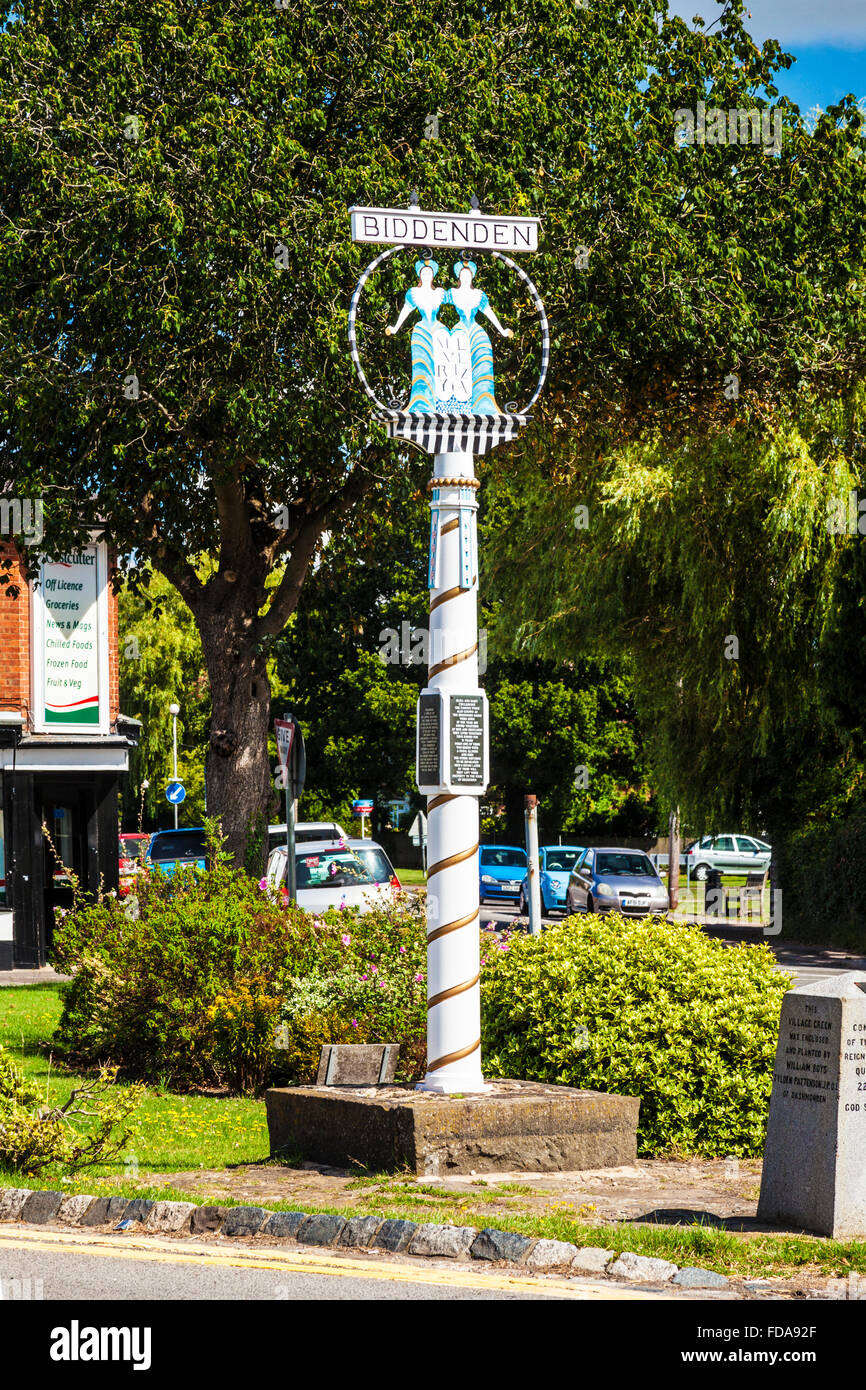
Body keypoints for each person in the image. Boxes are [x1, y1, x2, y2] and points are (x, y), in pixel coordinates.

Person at [448, 259, 514, 414]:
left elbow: (489, 312)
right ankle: (457, 403)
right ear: (458, 276)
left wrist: (502, 330)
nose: (465, 277)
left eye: (468, 275)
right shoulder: (452, 293)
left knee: (483, 356)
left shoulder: (478, 295)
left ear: (472, 277)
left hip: (476, 331)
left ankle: (483, 401)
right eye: (462, 274)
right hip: (459, 331)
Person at [385, 259, 446, 412]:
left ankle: (442, 402)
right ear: (419, 275)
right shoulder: (414, 293)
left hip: (439, 331)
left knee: (441, 366)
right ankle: (422, 402)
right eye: (423, 273)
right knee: (422, 365)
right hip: (422, 331)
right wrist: (395, 328)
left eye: (429, 273)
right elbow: (406, 310)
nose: (426, 275)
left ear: (433, 275)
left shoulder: (440, 293)